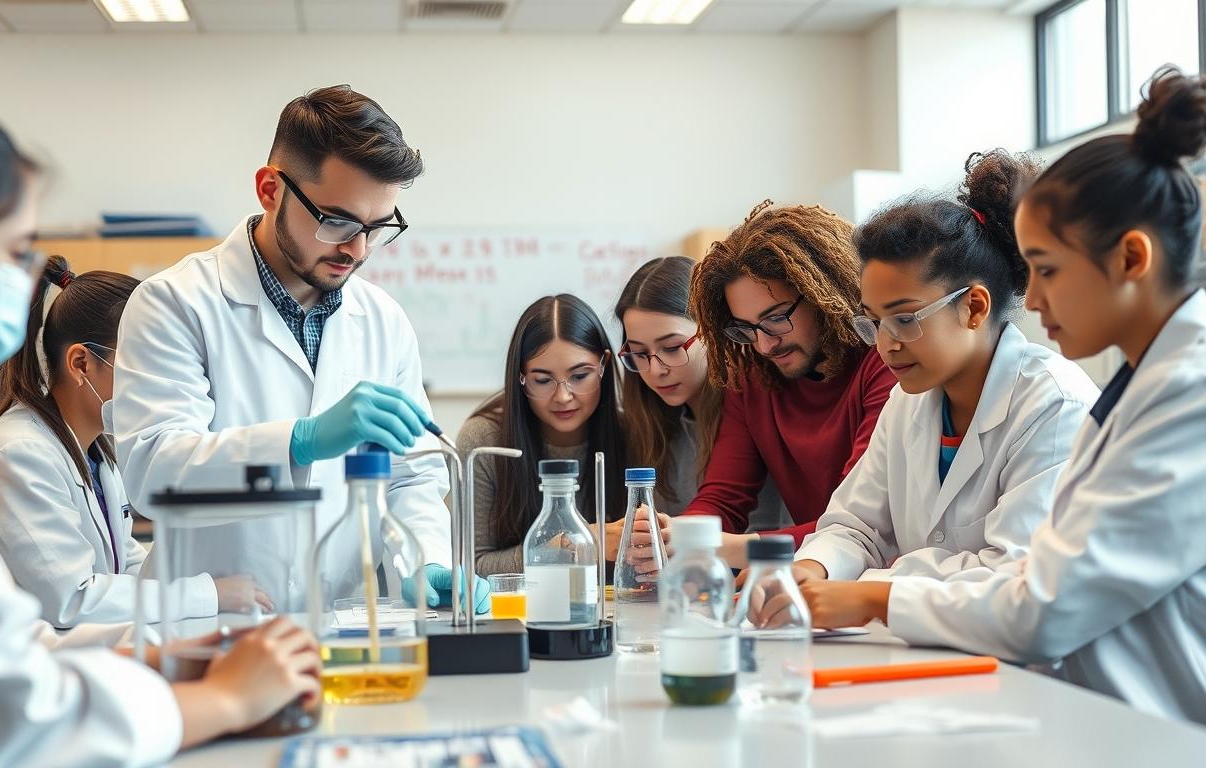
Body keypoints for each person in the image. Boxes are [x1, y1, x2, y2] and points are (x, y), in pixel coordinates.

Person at [0, 78, 318, 767]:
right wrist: (226, 700)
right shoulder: (6, 455)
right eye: (10, 252)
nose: (16, 276)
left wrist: (147, 654)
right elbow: (9, 714)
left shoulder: (93, 455)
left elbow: (9, 649)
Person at [846, 68, 1206, 733]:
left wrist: (871, 599)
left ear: (1131, 259)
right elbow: (1037, 573)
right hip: (1103, 724)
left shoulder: (1203, 396)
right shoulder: (1145, 388)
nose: (1030, 299)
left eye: (1048, 269)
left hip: (1178, 736)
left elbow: (1046, 607)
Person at [114, 85, 478, 611]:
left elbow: (412, 473)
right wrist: (300, 442)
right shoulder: (174, 303)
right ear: (270, 189)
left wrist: (425, 562)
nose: (356, 249)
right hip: (212, 633)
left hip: (344, 628)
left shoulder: (384, 321)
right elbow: (153, 473)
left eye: (378, 229)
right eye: (338, 221)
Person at [760, 151, 1098, 629]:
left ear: (975, 307)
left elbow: (1013, 572)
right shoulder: (909, 400)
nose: (886, 344)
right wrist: (810, 571)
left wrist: (868, 592)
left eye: (904, 318)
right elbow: (855, 526)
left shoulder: (1053, 405)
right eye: (873, 322)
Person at [0, 256, 268, 628]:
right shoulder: (18, 454)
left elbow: (127, 567)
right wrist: (209, 593)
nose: (155, 380)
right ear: (80, 363)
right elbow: (72, 600)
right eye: (140, 364)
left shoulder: (98, 451)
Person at [684, 202, 896, 567]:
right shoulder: (752, 373)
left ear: (823, 293)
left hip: (880, 579)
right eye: (747, 328)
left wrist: (718, 547)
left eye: (776, 319)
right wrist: (669, 536)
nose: (764, 345)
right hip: (805, 574)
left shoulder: (885, 361)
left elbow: (861, 522)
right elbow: (721, 500)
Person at [460, 294, 628, 577]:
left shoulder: (632, 432)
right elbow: (470, 568)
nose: (563, 396)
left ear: (605, 366)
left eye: (579, 376)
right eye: (542, 380)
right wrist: (577, 541)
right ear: (520, 378)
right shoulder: (484, 441)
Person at [614, 255, 784, 530]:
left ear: (713, 332)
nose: (656, 370)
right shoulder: (652, 423)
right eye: (639, 353)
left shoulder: (760, 403)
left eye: (672, 347)